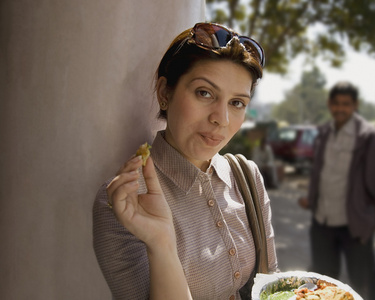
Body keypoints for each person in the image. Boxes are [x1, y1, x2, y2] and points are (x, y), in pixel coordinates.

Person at [92, 23, 278, 300]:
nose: (221, 119)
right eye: (205, 93)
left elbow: (271, 286)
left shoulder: (246, 176)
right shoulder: (123, 203)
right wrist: (162, 244)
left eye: (237, 103)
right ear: (165, 93)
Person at [298, 81, 375, 300]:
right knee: (322, 286)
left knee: (362, 287)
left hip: (355, 229)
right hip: (322, 225)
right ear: (329, 105)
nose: (340, 108)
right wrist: (312, 199)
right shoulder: (324, 133)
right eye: (336, 103)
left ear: (355, 105)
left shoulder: (369, 138)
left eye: (346, 104)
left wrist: (372, 222)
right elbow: (321, 173)